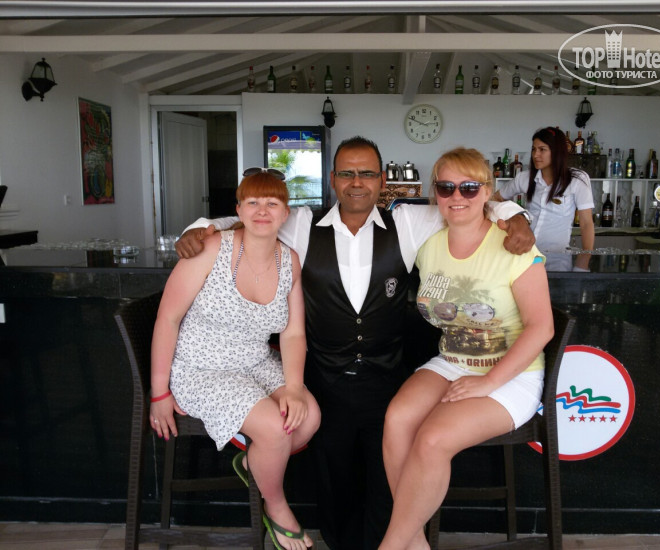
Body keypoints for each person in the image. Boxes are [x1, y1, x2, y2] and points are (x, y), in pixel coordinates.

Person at [175, 136, 535, 550]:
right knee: (333, 476)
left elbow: (467, 202)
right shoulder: (301, 223)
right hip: (325, 380)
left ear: (382, 180)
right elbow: (253, 215)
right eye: (347, 173)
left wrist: (515, 214)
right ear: (332, 179)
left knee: (388, 474)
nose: (357, 182)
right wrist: (200, 227)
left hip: (387, 379)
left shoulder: (409, 222)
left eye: (367, 173)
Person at [379, 147, 554, 550]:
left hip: (511, 374)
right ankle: (414, 543)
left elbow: (541, 327)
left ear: (487, 192)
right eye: (446, 187)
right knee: (397, 420)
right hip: (453, 361)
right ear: (434, 193)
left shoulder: (513, 246)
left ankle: (391, 545)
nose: (457, 196)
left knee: (432, 439)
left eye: (469, 188)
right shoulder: (428, 244)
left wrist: (488, 382)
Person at [150, 169, 321, 550]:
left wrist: (294, 388)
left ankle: (250, 462)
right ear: (239, 210)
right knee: (275, 429)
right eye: (253, 202)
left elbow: (293, 333)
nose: (262, 211)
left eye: (272, 203)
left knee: (309, 417)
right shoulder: (211, 249)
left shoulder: (289, 260)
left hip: (254, 362)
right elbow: (168, 318)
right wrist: (159, 392)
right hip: (202, 368)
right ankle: (276, 507)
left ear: (285, 213)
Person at [494, 126, 595, 271]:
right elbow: (496, 198)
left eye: (542, 149)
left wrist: (584, 263)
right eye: (534, 149)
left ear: (557, 152)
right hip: (525, 255)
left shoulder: (577, 180)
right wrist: (514, 217)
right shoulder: (524, 178)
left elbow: (586, 224)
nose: (536, 154)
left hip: (557, 258)